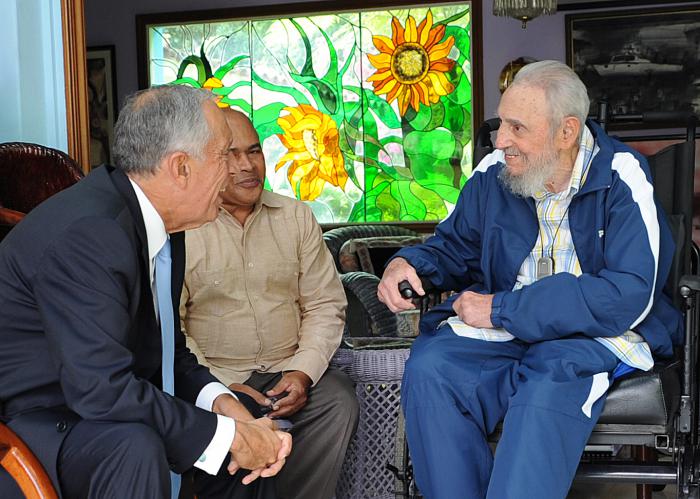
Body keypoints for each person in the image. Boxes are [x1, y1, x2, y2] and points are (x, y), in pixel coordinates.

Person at [377, 60, 684, 499]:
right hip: (503, 328)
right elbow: (451, 248)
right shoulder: (492, 174)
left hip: (587, 334)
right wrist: (407, 263)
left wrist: (503, 308)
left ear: (567, 132)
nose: (501, 141)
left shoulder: (622, 175)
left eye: (517, 129)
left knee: (549, 383)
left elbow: (626, 295)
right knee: (431, 370)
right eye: (502, 125)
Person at [0, 85, 291, 499]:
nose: (233, 171)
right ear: (181, 167)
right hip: (39, 425)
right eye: (224, 154)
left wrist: (226, 410)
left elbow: (167, 353)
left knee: (250, 427)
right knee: (141, 446)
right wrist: (226, 436)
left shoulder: (163, 225)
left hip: (100, 411)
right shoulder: (92, 232)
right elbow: (101, 388)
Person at [180, 108, 359, 499]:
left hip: (285, 372)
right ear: (206, 161)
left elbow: (325, 306)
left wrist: (302, 374)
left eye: (255, 151)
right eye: (231, 155)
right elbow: (172, 329)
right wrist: (222, 388)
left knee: (338, 400)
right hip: (218, 378)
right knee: (239, 419)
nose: (247, 166)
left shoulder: (295, 216)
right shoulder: (185, 228)